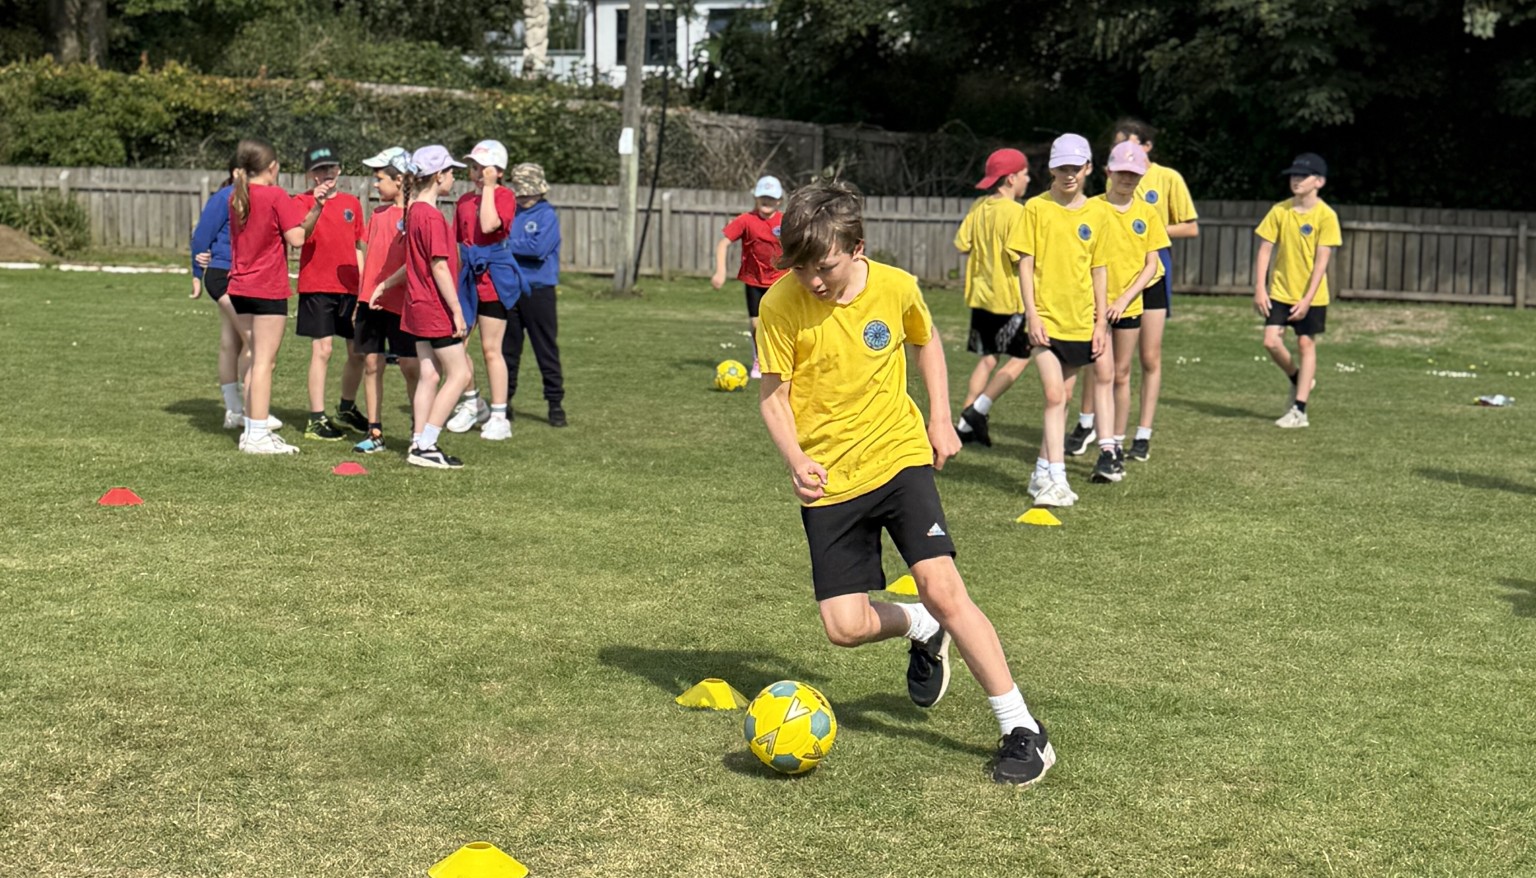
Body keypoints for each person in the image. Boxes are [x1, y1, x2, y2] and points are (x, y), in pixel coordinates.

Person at [755, 178, 1055, 786]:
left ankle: (1023, 729)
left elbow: (926, 343)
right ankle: (920, 625)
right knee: (844, 628)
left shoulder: (896, 288)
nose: (812, 279)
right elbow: (773, 397)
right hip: (831, 478)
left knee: (945, 587)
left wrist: (941, 417)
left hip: (898, 457)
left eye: (825, 265)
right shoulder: (780, 304)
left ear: (857, 247)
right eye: (800, 266)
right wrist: (795, 458)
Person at [1068, 119, 1200, 462]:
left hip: (1147, 282)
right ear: (1109, 169)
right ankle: (1090, 427)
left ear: (1147, 147)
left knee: (1142, 360)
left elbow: (1185, 231)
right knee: (1098, 364)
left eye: (1130, 146)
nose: (1127, 172)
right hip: (1101, 288)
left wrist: (1145, 233)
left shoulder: (1164, 182)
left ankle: (1138, 435)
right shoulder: (1094, 204)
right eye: (1117, 154)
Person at [1009, 134, 1115, 505]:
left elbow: (1099, 271)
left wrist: (1100, 323)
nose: (1069, 174)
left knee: (1064, 396)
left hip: (1081, 322)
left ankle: (1040, 470)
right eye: (1062, 168)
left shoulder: (1099, 213)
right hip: (1045, 321)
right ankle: (1056, 478)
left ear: (1087, 169)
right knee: (1054, 393)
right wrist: (1031, 315)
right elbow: (1025, 265)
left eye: (1076, 167)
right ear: (1050, 169)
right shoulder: (1035, 209)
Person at [226, 138, 313, 455]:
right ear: (273, 167)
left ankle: (253, 430)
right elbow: (297, 238)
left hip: (239, 288)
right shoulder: (276, 195)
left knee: (253, 359)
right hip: (267, 289)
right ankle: (258, 435)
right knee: (264, 362)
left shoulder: (237, 196)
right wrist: (315, 209)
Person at [1091, 140, 1170, 465]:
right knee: (1102, 372)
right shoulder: (1091, 208)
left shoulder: (1147, 213)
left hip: (1130, 306)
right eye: (1122, 172)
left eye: (1134, 174)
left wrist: (1125, 298)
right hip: (1095, 306)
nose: (1127, 179)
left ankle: (1118, 442)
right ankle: (1105, 445)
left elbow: (1152, 264)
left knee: (1121, 373)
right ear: (1109, 171)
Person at [189, 159, 282, 435]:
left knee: (231, 341)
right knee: (254, 342)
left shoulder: (255, 198)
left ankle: (233, 411)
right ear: (237, 173)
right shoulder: (226, 197)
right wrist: (197, 272)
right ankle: (254, 414)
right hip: (224, 277)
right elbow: (200, 236)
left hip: (242, 277)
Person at [1254, 152, 1340, 429]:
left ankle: (1299, 410)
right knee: (1270, 341)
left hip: (1311, 295)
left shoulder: (1326, 216)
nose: (1296, 180)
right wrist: (1259, 288)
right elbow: (1265, 249)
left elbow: (1321, 263)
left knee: (1305, 343)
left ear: (1319, 181)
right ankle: (1296, 377)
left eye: (1303, 176)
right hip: (1279, 290)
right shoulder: (1280, 210)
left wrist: (1307, 299)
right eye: (1293, 175)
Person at [953, 148, 1032, 447]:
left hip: (981, 297)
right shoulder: (1018, 213)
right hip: (1010, 300)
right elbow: (1019, 257)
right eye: (1025, 175)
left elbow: (962, 244)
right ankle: (979, 409)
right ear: (1011, 179)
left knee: (988, 358)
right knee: (1024, 355)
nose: (1028, 180)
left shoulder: (979, 207)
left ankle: (963, 426)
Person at [401, 145, 472, 468]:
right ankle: (426, 444)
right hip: (434, 306)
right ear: (438, 176)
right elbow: (439, 266)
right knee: (460, 373)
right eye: (451, 171)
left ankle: (418, 440)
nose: (454, 176)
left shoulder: (413, 211)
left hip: (417, 305)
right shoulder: (430, 216)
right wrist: (457, 310)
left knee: (429, 375)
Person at [292, 143, 367, 441]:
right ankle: (316, 419)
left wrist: (363, 287)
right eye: (320, 169)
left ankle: (346, 408)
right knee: (322, 351)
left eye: (331, 167)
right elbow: (300, 235)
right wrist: (317, 206)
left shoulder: (353, 203)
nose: (327, 174)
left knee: (358, 352)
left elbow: (359, 245)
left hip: (350, 289)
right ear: (311, 174)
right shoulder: (300, 202)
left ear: (340, 169)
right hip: (317, 286)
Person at [351, 146, 421, 454]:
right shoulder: (378, 213)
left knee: (410, 366)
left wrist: (389, 285)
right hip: (370, 302)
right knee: (371, 362)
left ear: (400, 180)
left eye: (380, 179)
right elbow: (369, 256)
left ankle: (419, 431)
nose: (376, 185)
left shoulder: (417, 215)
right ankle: (375, 431)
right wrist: (361, 297)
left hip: (402, 303)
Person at [447, 139, 517, 440]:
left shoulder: (504, 196)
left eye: (483, 168)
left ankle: (500, 416)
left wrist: (488, 188)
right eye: (474, 167)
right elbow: (456, 243)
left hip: (495, 276)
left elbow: (489, 225)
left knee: (491, 349)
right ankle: (473, 401)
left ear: (498, 171)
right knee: (455, 346)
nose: (476, 173)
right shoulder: (463, 201)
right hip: (468, 278)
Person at [505, 162, 567, 427]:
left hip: (539, 291)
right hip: (511, 290)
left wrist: (507, 244)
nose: (525, 196)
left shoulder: (546, 215)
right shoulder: (511, 213)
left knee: (545, 348)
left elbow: (538, 248)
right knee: (507, 350)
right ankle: (503, 403)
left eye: (529, 191)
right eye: (521, 192)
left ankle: (555, 404)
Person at [711, 175, 785, 379]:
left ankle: (783, 360)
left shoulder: (785, 222)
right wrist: (720, 271)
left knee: (780, 324)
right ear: (756, 198)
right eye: (763, 197)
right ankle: (759, 357)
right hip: (754, 281)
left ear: (779, 200)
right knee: (756, 324)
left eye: (771, 198)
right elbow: (723, 244)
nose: (767, 201)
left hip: (781, 282)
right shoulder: (746, 220)